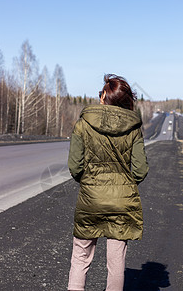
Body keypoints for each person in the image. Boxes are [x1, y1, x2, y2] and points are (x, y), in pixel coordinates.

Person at [67, 74, 149, 291]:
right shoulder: (134, 127)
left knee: (81, 256)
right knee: (116, 263)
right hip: (122, 202)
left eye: (101, 94)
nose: (99, 98)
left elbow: (75, 166)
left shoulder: (84, 123)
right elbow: (140, 169)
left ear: (106, 98)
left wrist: (88, 183)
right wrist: (126, 185)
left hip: (90, 199)